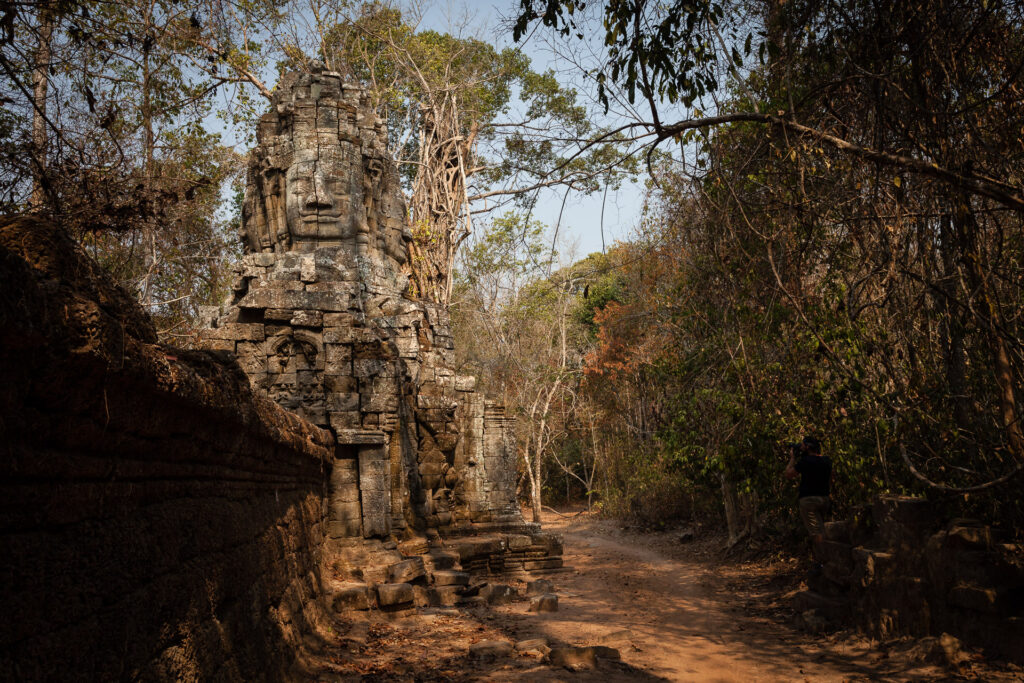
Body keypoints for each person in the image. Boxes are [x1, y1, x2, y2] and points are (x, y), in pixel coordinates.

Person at [784, 436, 831, 560]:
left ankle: (823, 560)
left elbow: (788, 474)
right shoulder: (826, 461)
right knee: (823, 529)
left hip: (809, 500)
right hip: (824, 499)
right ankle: (825, 558)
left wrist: (792, 458)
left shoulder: (806, 462)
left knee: (816, 532)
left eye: (803, 445)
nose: (801, 447)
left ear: (808, 447)